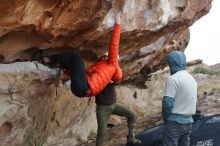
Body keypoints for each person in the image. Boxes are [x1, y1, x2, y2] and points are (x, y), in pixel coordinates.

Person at [38, 13, 122, 97]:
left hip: (84, 87)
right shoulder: (105, 71)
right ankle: (56, 64)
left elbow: (114, 45)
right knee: (80, 64)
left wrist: (118, 24)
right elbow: (79, 73)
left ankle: (49, 59)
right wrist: (65, 70)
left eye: (107, 55)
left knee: (75, 56)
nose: (105, 56)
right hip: (81, 89)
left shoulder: (113, 64)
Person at [95, 70, 141, 146]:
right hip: (102, 108)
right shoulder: (96, 77)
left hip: (114, 105)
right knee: (101, 131)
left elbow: (117, 79)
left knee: (132, 114)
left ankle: (131, 138)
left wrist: (113, 81)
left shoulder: (108, 73)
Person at [161, 51, 197, 146]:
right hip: (188, 122)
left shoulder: (173, 79)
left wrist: (165, 117)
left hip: (174, 123)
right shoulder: (192, 79)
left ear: (171, 63)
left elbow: (167, 103)